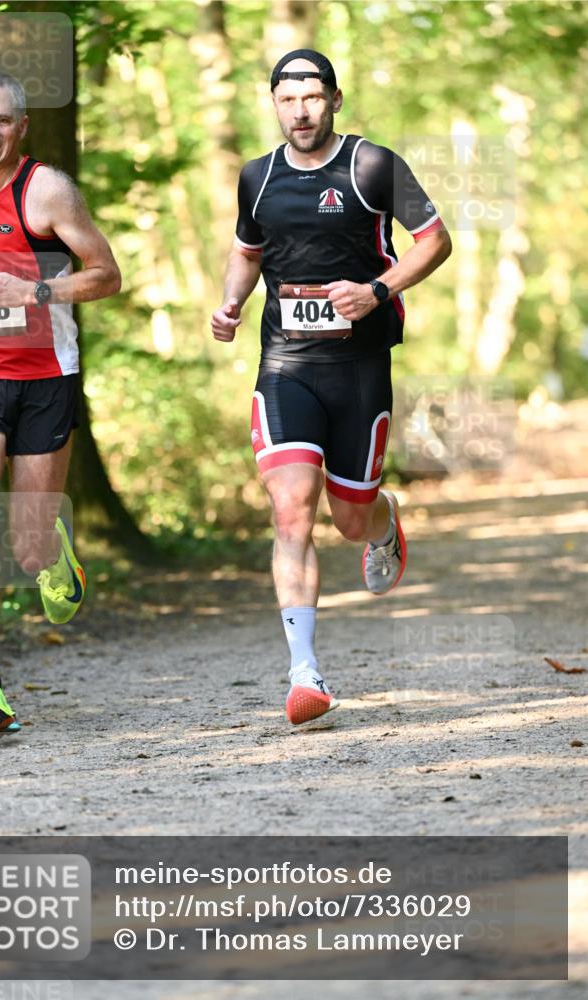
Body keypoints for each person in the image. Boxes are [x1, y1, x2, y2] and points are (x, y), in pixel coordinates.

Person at [211, 50, 452, 725]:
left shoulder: (372, 165)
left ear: (335, 99)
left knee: (348, 519)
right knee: (290, 507)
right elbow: (246, 250)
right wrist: (230, 303)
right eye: (287, 99)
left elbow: (433, 241)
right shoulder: (256, 177)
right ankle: (304, 671)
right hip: (285, 365)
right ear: (273, 104)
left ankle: (381, 522)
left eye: (312, 97)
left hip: (359, 369)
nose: (300, 110)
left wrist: (377, 290)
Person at [0, 72, 121, 737]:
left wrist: (36, 293)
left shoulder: (47, 192)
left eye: (2, 121)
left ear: (22, 126)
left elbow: (107, 275)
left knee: (28, 555)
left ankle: (52, 546)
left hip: (44, 378)